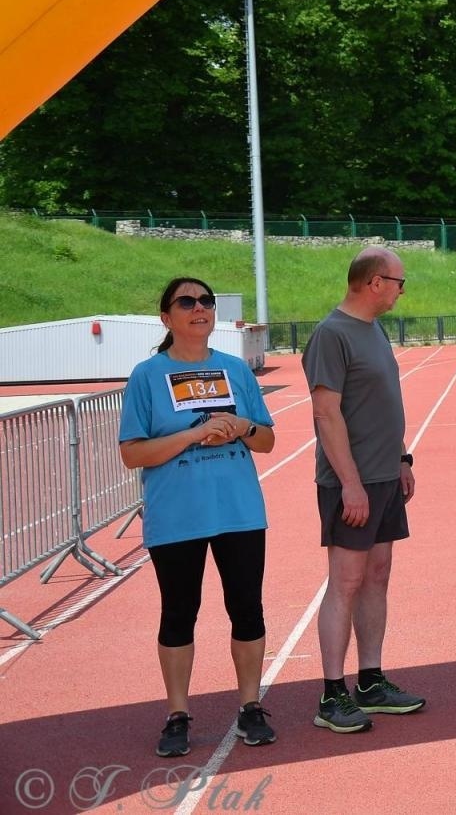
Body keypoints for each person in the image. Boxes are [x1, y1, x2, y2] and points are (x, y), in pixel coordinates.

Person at [119, 277, 278, 757]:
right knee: (179, 613)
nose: (199, 307)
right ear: (166, 318)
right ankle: (177, 713)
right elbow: (132, 454)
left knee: (247, 609)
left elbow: (267, 440)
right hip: (177, 516)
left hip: (239, 511)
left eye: (206, 300)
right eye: (185, 302)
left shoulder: (236, 371)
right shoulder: (146, 376)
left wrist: (240, 427)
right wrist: (194, 434)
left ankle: (251, 706)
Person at [303, 246, 425, 733]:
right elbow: (325, 413)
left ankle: (370, 681)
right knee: (346, 581)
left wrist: (400, 458)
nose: (401, 290)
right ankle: (331, 693)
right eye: (399, 282)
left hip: (383, 477)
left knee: (377, 575)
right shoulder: (332, 335)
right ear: (375, 282)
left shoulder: (373, 330)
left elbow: (383, 402)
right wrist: (351, 484)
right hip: (350, 482)